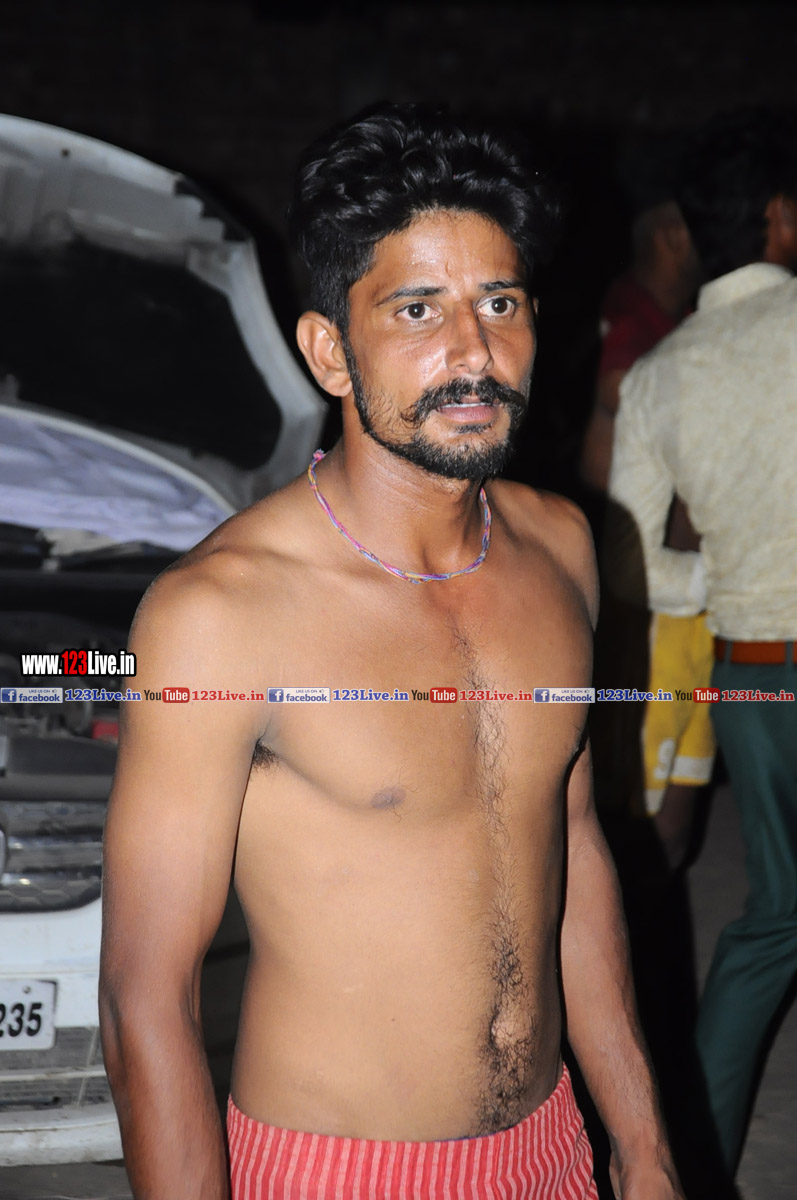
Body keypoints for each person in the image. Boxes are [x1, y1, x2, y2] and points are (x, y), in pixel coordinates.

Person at [100, 104, 683, 1200]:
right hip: (338, 1169)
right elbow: (145, 997)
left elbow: (570, 846)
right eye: (417, 309)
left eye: (498, 302)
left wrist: (641, 1146)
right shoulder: (220, 615)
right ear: (330, 350)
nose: (472, 351)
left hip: (550, 1149)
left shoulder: (563, 548)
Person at [608, 107, 797, 1176]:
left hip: (750, 680)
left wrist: (731, 591)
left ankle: (695, 1158)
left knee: (775, 914)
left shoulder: (658, 375)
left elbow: (633, 564)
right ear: (778, 218)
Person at [581, 193, 712, 871]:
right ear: (670, 234)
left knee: (681, 787)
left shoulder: (684, 320)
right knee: (640, 808)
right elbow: (620, 392)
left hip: (693, 595)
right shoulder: (632, 315)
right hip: (647, 604)